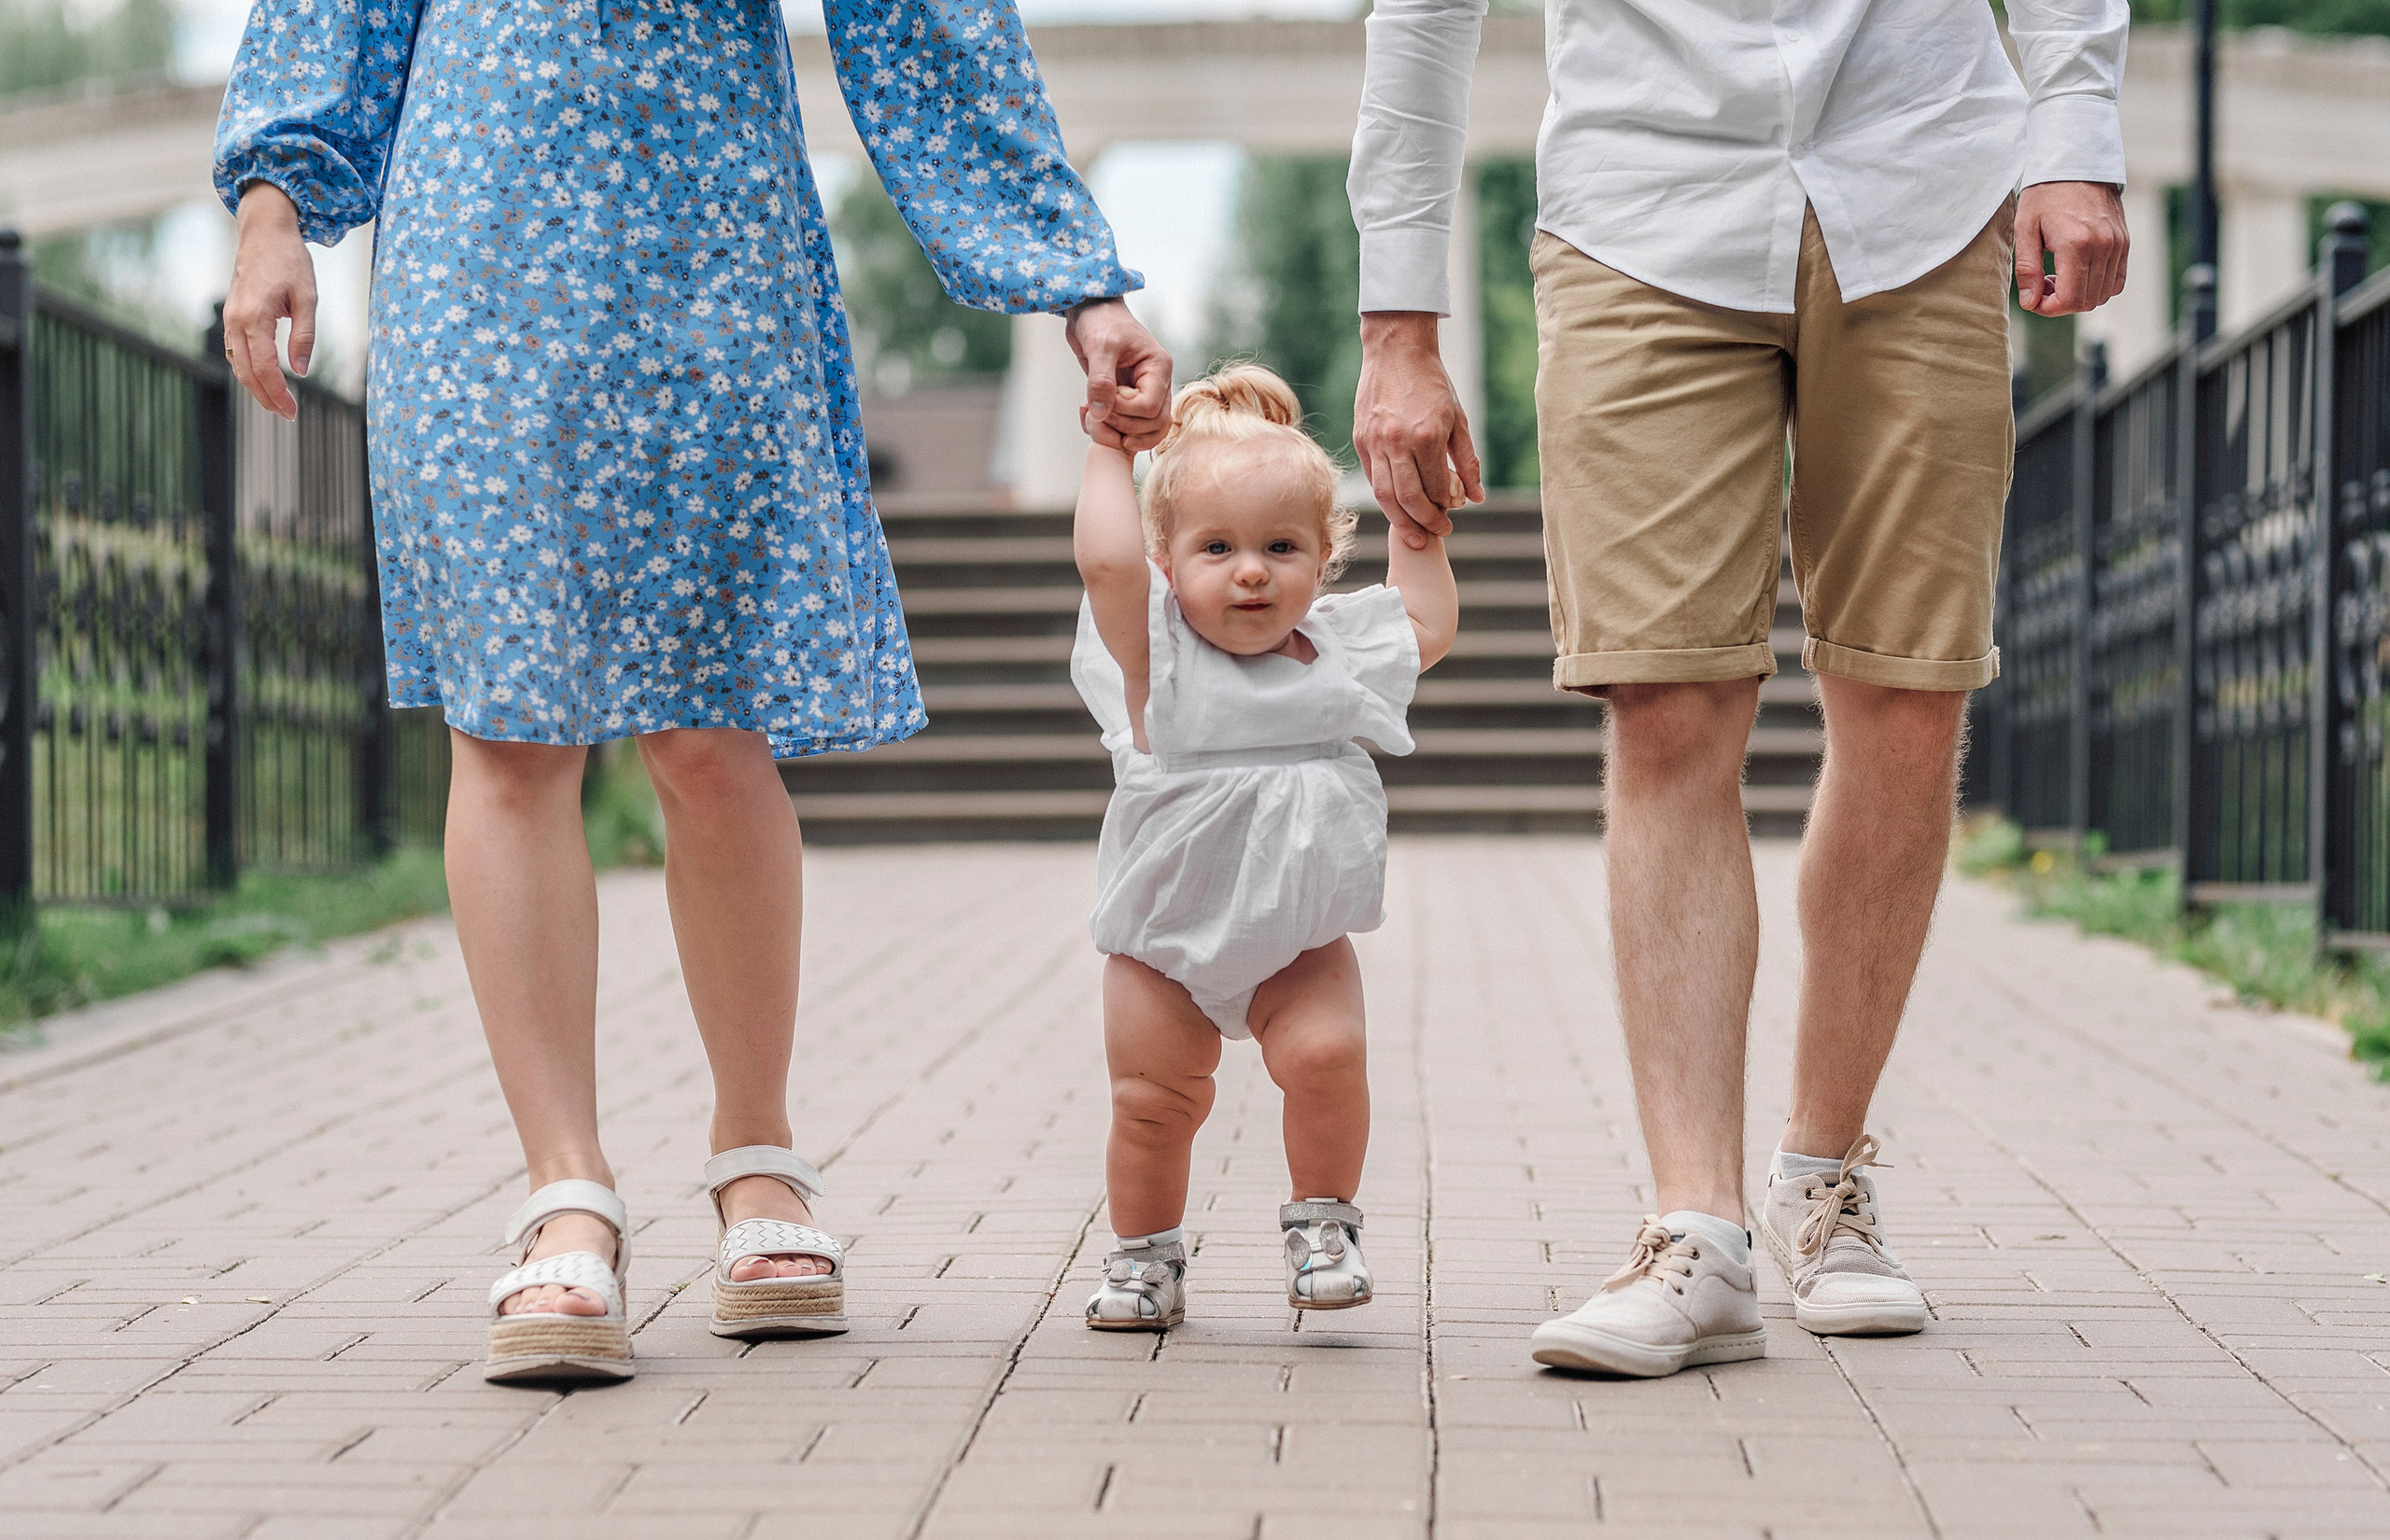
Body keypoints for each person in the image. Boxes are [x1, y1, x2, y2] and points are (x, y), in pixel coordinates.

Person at [212, 0, 1172, 1387]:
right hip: (479, 247)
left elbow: (926, 20)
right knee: (510, 728)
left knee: (714, 726)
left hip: (712, 242)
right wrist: (272, 207)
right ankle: (564, 1186)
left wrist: (1075, 282)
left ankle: (759, 1160)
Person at [1346, 0, 2130, 1376]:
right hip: (1641, 205)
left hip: (1922, 179)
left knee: (1906, 695)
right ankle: (1695, 1226)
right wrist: (1398, 327)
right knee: (1663, 702)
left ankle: (1823, 1177)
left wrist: (2074, 133)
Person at [1068, 365, 1458, 1329]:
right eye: (1217, 548)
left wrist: (1418, 529)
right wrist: (1110, 452)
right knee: (1153, 1102)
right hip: (1162, 946)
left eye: (1280, 546)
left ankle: (1323, 1222)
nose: (1250, 570)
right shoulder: (1151, 660)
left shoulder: (1335, 654)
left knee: (1329, 1057)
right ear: (1167, 562)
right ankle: (1144, 1258)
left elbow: (1426, 624)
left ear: (1324, 558)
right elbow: (1106, 566)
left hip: (1301, 940)